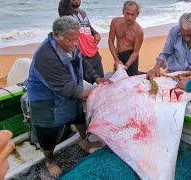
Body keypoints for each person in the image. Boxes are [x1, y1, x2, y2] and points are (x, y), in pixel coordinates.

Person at [27, 16, 112, 177]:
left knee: (78, 115)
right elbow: (67, 90)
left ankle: (85, 141)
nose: (75, 44)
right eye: (70, 40)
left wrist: (96, 78)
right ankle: (50, 161)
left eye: (77, 39)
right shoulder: (46, 57)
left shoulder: (71, 43)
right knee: (48, 131)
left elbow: (83, 64)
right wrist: (97, 92)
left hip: (71, 90)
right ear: (56, 36)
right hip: (47, 100)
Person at [146, 12, 191, 79]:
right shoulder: (174, 32)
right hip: (173, 73)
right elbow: (165, 54)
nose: (186, 38)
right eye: (183, 34)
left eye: (190, 35)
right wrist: (156, 67)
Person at [58, 0, 105, 77]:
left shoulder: (83, 13)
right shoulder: (66, 13)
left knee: (101, 83)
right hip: (81, 57)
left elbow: (88, 27)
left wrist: (95, 33)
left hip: (94, 53)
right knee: (84, 86)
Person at [108, 1, 144, 76]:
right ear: (123, 12)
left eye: (132, 14)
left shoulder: (138, 31)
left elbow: (135, 52)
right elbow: (111, 41)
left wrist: (126, 66)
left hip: (131, 57)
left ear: (137, 14)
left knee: (132, 82)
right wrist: (116, 59)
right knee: (117, 80)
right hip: (119, 55)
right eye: (127, 13)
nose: (129, 17)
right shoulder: (115, 22)